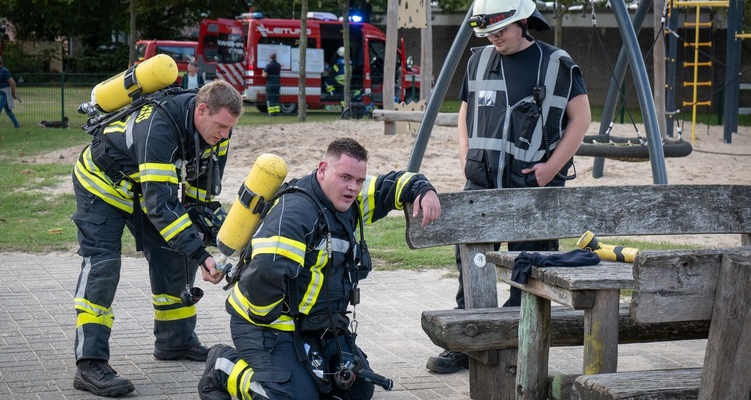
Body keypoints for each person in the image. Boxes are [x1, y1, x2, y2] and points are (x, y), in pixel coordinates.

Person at [198, 137, 442, 400]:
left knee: (356, 390)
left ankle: (303, 375)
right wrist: (277, 334)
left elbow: (390, 186)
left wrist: (422, 189)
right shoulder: (296, 214)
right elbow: (263, 277)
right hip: (267, 325)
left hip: (318, 325)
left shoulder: (348, 199)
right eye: (345, 177)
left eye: (359, 180)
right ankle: (223, 367)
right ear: (323, 169)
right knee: (293, 396)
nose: (353, 187)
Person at [425, 0, 591, 374]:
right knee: (472, 261)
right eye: (488, 30)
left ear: (524, 22)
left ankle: (520, 342)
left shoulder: (557, 64)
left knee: (529, 267)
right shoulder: (478, 60)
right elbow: (466, 110)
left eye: (501, 28)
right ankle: (467, 339)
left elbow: (581, 118)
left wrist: (550, 169)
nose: (494, 36)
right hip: (481, 181)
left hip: (533, 186)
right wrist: (466, 153)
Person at [71, 80, 244, 397]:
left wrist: (208, 242)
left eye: (229, 128)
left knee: (174, 252)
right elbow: (160, 205)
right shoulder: (160, 125)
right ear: (202, 110)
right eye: (220, 126)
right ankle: (90, 363)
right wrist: (201, 255)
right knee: (103, 266)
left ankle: (174, 341)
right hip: (101, 186)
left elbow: (199, 201)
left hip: (142, 192)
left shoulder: (218, 132)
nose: (224, 134)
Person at [0, 55, 21, 129]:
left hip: (4, 93)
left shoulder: (4, 71)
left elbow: (12, 82)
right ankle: (17, 126)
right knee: (8, 111)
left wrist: (13, 94)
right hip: (0, 93)